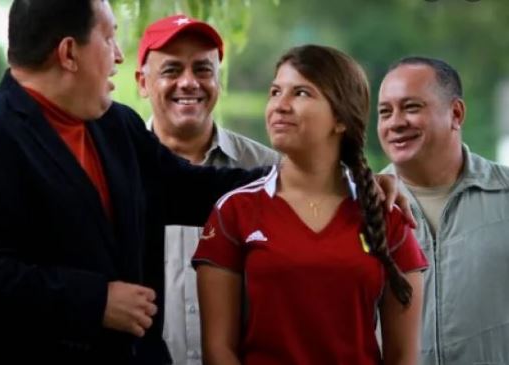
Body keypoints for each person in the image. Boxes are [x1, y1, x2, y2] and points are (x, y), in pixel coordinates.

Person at [0, 1, 266, 364]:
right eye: (109, 37)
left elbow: (187, 188)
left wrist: (291, 180)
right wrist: (95, 300)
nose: (119, 55)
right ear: (69, 53)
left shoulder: (117, 125)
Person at [192, 45, 428, 364]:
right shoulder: (234, 212)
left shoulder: (387, 217)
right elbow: (219, 350)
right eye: (275, 92)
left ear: (341, 119)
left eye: (301, 93)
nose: (280, 105)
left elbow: (404, 358)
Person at [134, 15, 279, 364]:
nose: (189, 83)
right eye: (171, 70)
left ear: (219, 80)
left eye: (202, 69)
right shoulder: (118, 169)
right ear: (142, 82)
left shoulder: (269, 169)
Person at [377, 56, 509, 364]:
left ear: (456, 113)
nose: (395, 122)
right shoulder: (361, 210)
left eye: (411, 107)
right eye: (385, 112)